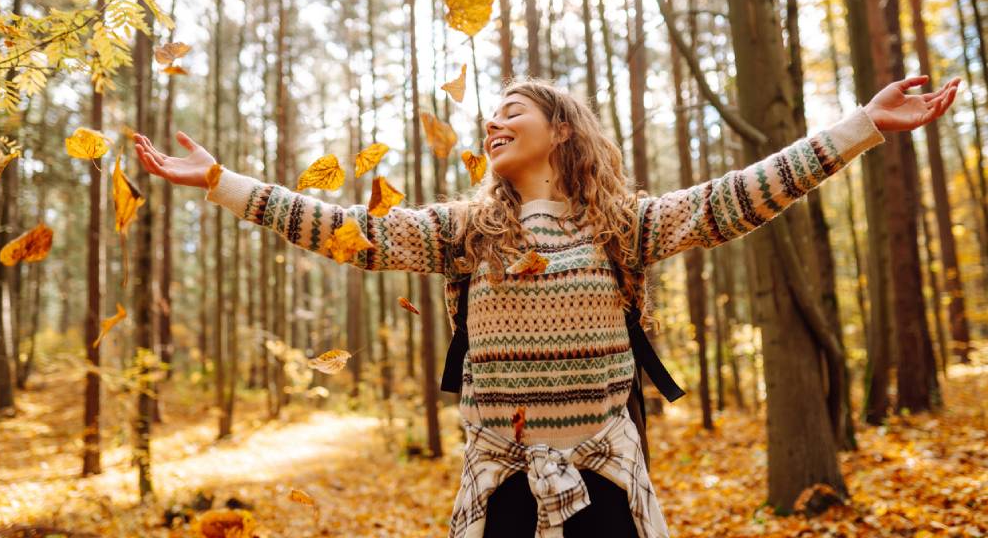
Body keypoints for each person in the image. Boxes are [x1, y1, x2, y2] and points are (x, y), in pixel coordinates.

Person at [134, 74, 960, 538]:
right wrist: (220, 182)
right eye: (488, 118)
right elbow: (346, 230)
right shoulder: (463, 232)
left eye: (512, 113)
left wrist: (861, 127)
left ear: (561, 131)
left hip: (603, 485)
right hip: (499, 489)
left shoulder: (624, 224)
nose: (493, 123)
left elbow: (738, 197)